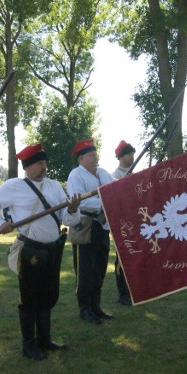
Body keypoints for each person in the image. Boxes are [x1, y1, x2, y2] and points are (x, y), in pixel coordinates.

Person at [0, 144, 81, 360]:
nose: (44, 167)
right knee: (30, 298)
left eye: (45, 163)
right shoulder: (14, 186)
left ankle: (44, 340)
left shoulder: (54, 186)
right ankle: (28, 344)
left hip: (53, 249)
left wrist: (72, 209)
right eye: (39, 163)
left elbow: (67, 218)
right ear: (27, 167)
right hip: (31, 251)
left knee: (48, 295)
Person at [67, 139, 116, 324]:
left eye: (95, 154)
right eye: (91, 155)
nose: (95, 157)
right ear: (81, 158)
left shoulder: (103, 172)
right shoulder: (75, 175)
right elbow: (80, 201)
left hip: (102, 226)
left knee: (99, 270)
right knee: (85, 271)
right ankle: (84, 309)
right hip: (86, 226)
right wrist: (107, 202)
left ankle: (96, 306)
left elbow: (116, 188)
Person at [111, 140, 135, 305]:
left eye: (132, 153)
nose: (131, 156)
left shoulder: (134, 172)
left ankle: (134, 290)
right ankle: (123, 294)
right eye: (128, 154)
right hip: (122, 221)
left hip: (137, 218)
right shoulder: (114, 176)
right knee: (123, 257)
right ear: (120, 156)